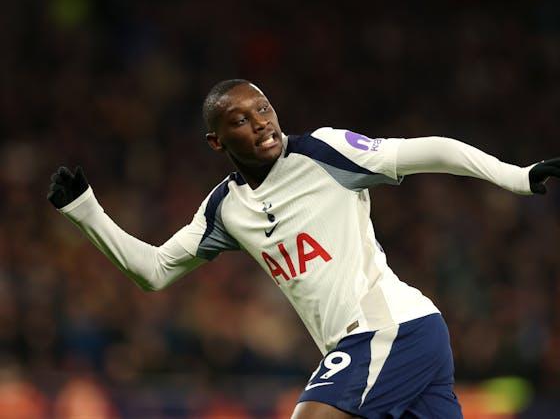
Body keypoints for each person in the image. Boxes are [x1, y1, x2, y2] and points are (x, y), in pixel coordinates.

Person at [47, 79, 560, 418]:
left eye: (263, 109)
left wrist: (516, 177)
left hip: (391, 331)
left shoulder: (323, 151)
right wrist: (86, 211)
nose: (261, 122)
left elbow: (431, 151)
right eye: (241, 120)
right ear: (216, 142)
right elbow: (155, 270)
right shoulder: (225, 208)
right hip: (386, 344)